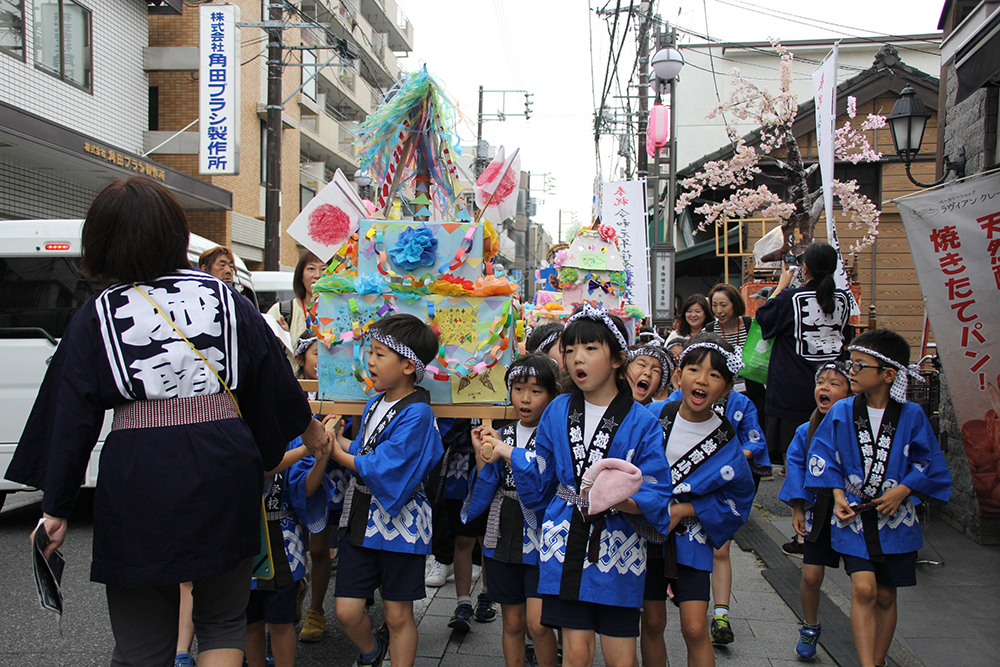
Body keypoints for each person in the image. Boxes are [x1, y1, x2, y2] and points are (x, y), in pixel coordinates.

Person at [7, 176, 330, 667]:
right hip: (224, 462)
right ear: (174, 234)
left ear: (102, 240)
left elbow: (70, 418)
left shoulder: (99, 313)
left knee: (143, 644)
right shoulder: (226, 300)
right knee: (223, 623)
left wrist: (56, 507)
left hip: (139, 471)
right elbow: (274, 385)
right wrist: (311, 435)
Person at [506, 304, 673, 667]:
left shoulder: (642, 421)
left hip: (618, 548)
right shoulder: (558, 409)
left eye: (590, 348)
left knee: (621, 659)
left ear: (617, 359)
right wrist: (509, 453)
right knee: (576, 655)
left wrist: (615, 497)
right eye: (569, 350)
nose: (576, 358)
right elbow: (540, 477)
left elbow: (658, 490)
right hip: (565, 543)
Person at [806, 329, 952, 667]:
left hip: (896, 518)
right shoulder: (843, 411)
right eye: (852, 365)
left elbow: (929, 462)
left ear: (888, 374)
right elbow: (823, 455)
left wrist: (903, 489)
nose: (852, 372)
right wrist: (838, 494)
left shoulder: (912, 415)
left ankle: (879, 659)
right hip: (854, 516)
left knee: (886, 595)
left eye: (860, 366)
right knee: (864, 589)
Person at [327, 314, 444, 667]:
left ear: (408, 365)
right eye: (370, 352)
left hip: (402, 522)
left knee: (397, 615)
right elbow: (364, 452)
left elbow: (383, 466)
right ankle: (373, 652)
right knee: (347, 610)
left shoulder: (419, 412)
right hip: (363, 516)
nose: (370, 361)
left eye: (379, 354)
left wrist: (336, 452)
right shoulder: (375, 404)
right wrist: (335, 440)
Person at [641, 333, 756, 667]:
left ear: (727, 388)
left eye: (715, 375)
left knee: (694, 628)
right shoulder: (655, 414)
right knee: (651, 621)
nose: (702, 380)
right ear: (679, 374)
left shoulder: (725, 439)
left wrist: (685, 509)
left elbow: (740, 495)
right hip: (646, 533)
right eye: (694, 369)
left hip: (692, 537)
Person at [466, 355, 561, 667]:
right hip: (504, 526)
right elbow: (488, 481)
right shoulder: (503, 433)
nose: (525, 398)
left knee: (539, 624)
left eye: (536, 391)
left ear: (552, 395)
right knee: (513, 622)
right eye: (518, 389)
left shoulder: (554, 435)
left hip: (542, 529)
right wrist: (482, 452)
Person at [778, 361, 852, 659]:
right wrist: (797, 508)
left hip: (852, 507)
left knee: (863, 582)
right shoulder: (804, 430)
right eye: (821, 382)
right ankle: (810, 626)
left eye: (834, 383)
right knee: (810, 576)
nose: (825, 387)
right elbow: (795, 468)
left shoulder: (857, 427)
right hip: (818, 508)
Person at [755, 243, 853, 466]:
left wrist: (781, 286)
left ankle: (799, 499)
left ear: (804, 268)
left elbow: (764, 317)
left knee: (796, 458)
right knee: (830, 455)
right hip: (832, 387)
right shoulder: (843, 300)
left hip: (791, 387)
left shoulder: (790, 297)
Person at [246, 423, 332, 667]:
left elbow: (303, 488)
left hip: (285, 543)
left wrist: (321, 458)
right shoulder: (237, 427)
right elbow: (262, 467)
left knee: (281, 622)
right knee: (250, 623)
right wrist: (308, 448)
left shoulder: (292, 434)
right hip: (246, 539)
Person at [294, 333, 349, 644]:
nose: (324, 362)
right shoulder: (293, 394)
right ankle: (296, 590)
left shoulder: (348, 390)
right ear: (301, 359)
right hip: (294, 471)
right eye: (317, 354)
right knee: (294, 541)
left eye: (332, 355)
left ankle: (316, 608)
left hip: (335, 474)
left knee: (320, 545)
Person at [704, 283, 765, 417]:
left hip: (754, 391)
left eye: (723, 305)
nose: (718, 310)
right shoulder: (709, 331)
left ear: (735, 304)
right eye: (714, 305)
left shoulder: (751, 325)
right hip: (721, 393)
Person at [267, 251, 327, 365]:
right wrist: (281, 338)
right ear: (301, 276)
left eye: (324, 269)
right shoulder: (281, 311)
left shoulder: (341, 312)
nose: (317, 275)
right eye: (311, 269)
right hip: (290, 381)